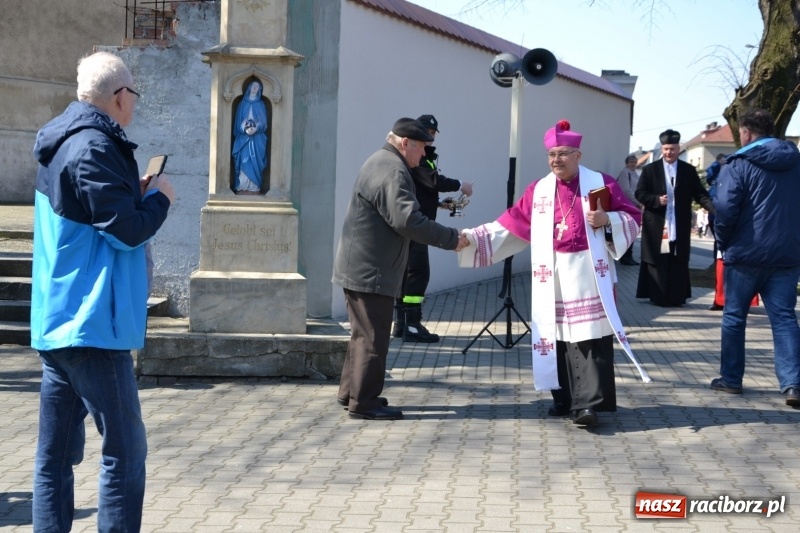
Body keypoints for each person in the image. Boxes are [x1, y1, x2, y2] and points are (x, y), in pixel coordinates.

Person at [30, 51, 175, 531]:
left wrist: (130, 188)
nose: (133, 102)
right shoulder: (96, 146)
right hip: (94, 325)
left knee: (56, 457)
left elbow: (90, 213)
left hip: (58, 322)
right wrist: (159, 200)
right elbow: (127, 231)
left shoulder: (62, 139)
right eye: (133, 93)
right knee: (125, 454)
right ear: (118, 96)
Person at [457, 120, 650, 426]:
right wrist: (471, 239)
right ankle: (563, 399)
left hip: (588, 271)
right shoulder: (540, 190)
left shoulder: (601, 184)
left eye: (563, 153)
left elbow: (633, 217)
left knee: (587, 337)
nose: (556, 160)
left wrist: (606, 219)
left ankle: (587, 405)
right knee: (555, 335)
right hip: (553, 271)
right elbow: (510, 225)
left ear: (578, 155)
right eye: (551, 154)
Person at [332, 118, 465, 421]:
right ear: (406, 143)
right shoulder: (394, 170)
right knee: (374, 338)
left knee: (361, 335)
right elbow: (408, 221)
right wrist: (452, 238)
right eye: (422, 149)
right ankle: (364, 402)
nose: (425, 156)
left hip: (360, 265)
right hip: (372, 269)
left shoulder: (381, 161)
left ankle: (350, 392)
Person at [710, 108, 800, 407]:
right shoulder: (796, 161)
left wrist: (725, 242)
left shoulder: (738, 164)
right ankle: (792, 385)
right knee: (785, 319)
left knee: (735, 318)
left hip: (745, 254)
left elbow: (724, 209)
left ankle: (731, 380)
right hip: (787, 254)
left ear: (746, 133)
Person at [393, 114, 474, 343]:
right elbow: (432, 180)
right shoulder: (416, 157)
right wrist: (460, 185)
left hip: (418, 222)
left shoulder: (425, 156)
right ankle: (412, 324)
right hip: (416, 226)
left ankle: (401, 324)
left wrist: (440, 203)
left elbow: (422, 190)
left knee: (408, 274)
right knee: (417, 274)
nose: (430, 137)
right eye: (427, 132)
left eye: (433, 133)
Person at [635, 129, 714, 307]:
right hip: (657, 224)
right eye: (665, 149)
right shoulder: (650, 170)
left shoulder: (688, 170)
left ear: (678, 148)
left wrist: (713, 208)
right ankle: (658, 296)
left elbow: (700, 194)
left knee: (677, 260)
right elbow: (639, 193)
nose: (669, 152)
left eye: (672, 149)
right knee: (658, 259)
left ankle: (677, 297)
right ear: (661, 149)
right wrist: (656, 200)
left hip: (679, 224)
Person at [233, 79, 268, 194]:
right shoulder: (243, 104)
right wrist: (245, 128)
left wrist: (256, 128)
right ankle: (242, 185)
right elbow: (238, 122)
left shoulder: (260, 104)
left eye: (257, 86)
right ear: (249, 87)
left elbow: (264, 122)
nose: (254, 88)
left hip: (257, 139)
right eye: (253, 85)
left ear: (260, 89)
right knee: (244, 160)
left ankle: (254, 186)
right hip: (244, 138)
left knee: (255, 162)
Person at [615, 154, 643, 265]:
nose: (633, 164)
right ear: (626, 163)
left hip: (634, 206)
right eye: (631, 162)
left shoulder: (634, 174)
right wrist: (638, 202)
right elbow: (626, 190)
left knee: (633, 231)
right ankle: (625, 258)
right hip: (628, 206)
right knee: (628, 231)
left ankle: (629, 256)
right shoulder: (625, 173)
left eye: (635, 162)